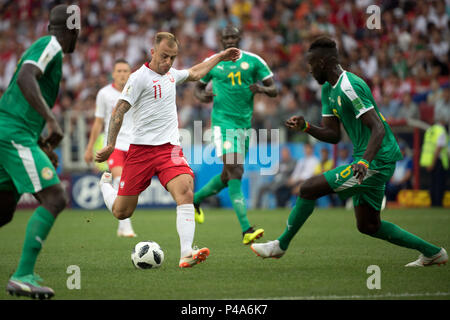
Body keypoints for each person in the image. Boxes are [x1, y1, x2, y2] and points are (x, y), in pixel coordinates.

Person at [251, 37, 447, 267]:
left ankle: (279, 246)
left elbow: (378, 128)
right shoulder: (328, 90)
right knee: (368, 226)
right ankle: (433, 253)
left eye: (312, 65)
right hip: (365, 160)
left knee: (308, 188)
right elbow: (333, 135)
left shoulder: (349, 86)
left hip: (377, 160)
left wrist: (364, 162)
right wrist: (306, 127)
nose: (311, 71)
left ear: (324, 62)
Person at [95, 32, 240, 268]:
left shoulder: (172, 74)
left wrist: (220, 56)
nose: (168, 62)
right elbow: (119, 110)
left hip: (168, 149)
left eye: (172, 57)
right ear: (153, 52)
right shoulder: (138, 78)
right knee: (122, 212)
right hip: (140, 151)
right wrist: (110, 144)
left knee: (185, 190)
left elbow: (195, 72)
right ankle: (104, 185)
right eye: (164, 56)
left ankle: (186, 253)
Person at [0, 4, 79, 299]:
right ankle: (22, 276)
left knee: (4, 209)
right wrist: (51, 118)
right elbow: (25, 77)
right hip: (13, 134)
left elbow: (22, 91)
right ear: (73, 30)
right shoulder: (52, 45)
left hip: (11, 133)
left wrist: (42, 144)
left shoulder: (47, 47)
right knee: (55, 197)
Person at [193, 26, 277, 245]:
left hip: (244, 127)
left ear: (240, 39)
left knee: (227, 175)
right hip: (222, 124)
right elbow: (197, 88)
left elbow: (274, 89)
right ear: (221, 40)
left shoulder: (255, 61)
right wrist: (203, 97)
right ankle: (246, 229)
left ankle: (195, 200)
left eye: (233, 37)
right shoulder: (213, 61)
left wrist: (261, 89)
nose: (230, 40)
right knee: (236, 170)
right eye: (226, 37)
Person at [84, 59, 136, 238]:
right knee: (120, 178)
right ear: (113, 74)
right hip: (114, 145)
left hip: (135, 144)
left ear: (130, 73)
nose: (122, 74)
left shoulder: (136, 91)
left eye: (125, 70)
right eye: (119, 71)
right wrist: (90, 148)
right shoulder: (104, 94)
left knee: (130, 185)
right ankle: (126, 226)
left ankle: (122, 227)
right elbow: (98, 122)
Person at [420, 117, 449, 207]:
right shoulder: (441, 131)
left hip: (428, 161)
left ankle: (433, 203)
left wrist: (430, 163)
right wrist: (433, 163)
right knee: (439, 184)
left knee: (432, 183)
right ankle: (438, 203)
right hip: (437, 161)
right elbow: (438, 148)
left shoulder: (430, 130)